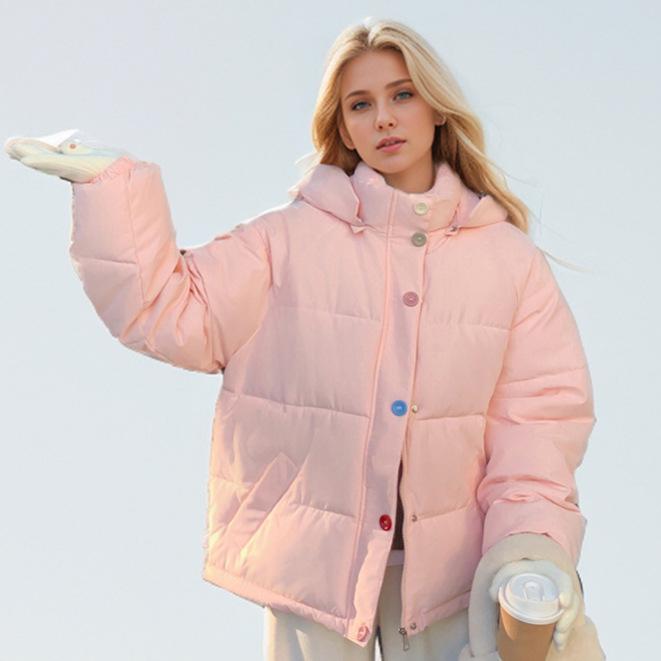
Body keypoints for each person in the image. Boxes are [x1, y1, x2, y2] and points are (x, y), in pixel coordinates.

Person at [5, 16, 605, 661]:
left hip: (458, 577)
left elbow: (539, 425)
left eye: (402, 94)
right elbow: (168, 311)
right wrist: (110, 185)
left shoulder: (510, 262)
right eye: (360, 104)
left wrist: (528, 548)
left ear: (436, 107)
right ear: (342, 126)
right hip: (315, 570)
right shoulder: (286, 239)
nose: (383, 118)